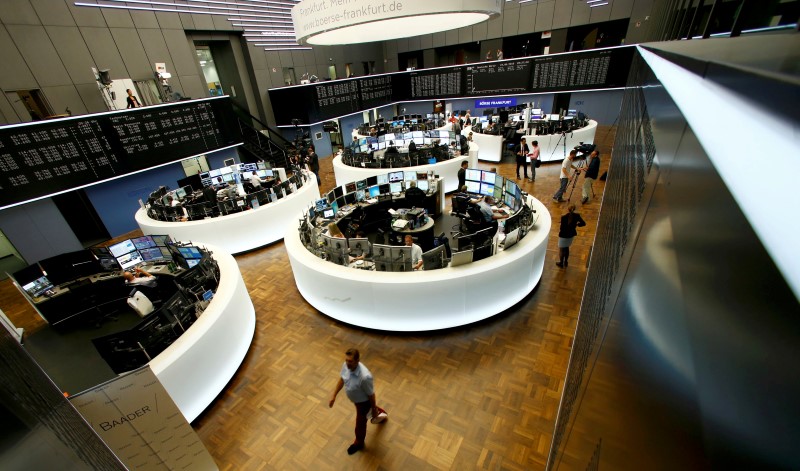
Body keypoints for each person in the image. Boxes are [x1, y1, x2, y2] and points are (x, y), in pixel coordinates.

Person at [329, 348, 387, 455]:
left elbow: (371, 395)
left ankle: (359, 442)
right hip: (357, 401)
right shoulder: (346, 366)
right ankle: (380, 413)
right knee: (370, 411)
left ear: (357, 361)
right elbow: (342, 379)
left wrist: (373, 408)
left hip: (363, 403)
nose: (347, 363)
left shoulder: (365, 377)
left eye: (350, 361)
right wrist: (334, 395)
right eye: (346, 360)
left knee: (360, 423)